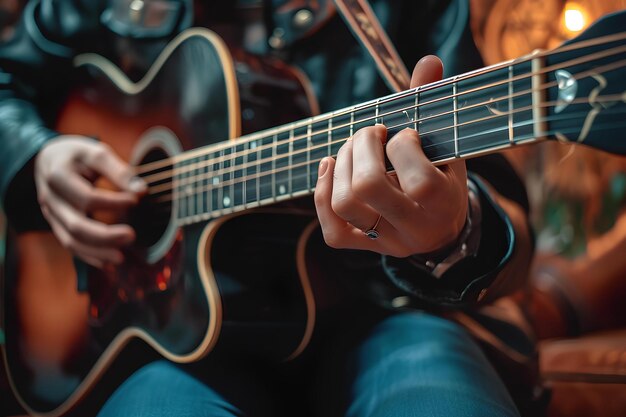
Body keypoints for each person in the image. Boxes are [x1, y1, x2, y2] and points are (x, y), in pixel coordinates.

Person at [0, 1, 535, 416]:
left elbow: (509, 225)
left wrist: (452, 231)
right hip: (176, 347)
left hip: (386, 318)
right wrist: (36, 156)